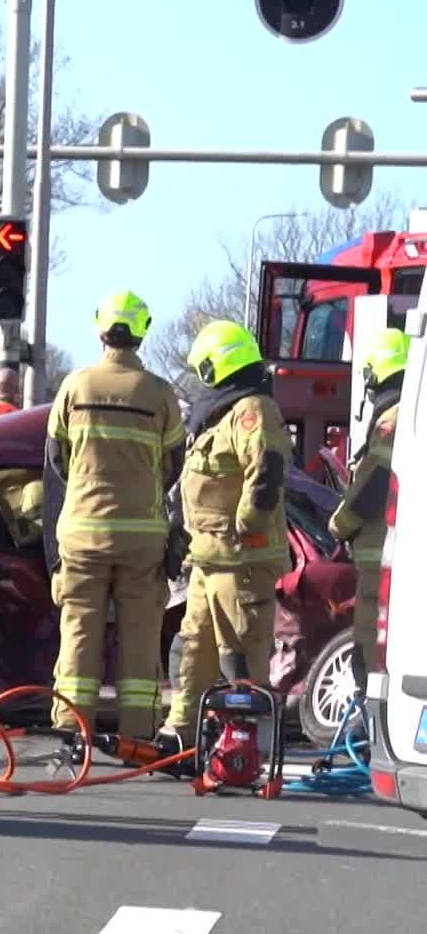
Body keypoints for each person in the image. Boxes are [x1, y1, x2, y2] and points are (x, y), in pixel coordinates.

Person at [42, 291, 185, 741]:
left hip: (82, 532)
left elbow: (55, 460)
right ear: (142, 332)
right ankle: (137, 735)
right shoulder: (160, 394)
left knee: (79, 632)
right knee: (141, 636)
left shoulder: (75, 386)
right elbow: (175, 464)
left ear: (100, 328)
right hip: (142, 537)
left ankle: (71, 732)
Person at [160, 320, 293, 750]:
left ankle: (248, 747)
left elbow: (267, 471)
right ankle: (181, 734)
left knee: (242, 655)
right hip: (209, 559)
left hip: (241, 562)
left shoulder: (252, 410)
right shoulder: (223, 414)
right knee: (195, 647)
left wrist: (245, 526)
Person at [329, 326, 408, 686]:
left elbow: (374, 484)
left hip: (380, 553)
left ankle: (367, 727)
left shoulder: (392, 418)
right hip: (399, 548)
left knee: (369, 646)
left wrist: (339, 524)